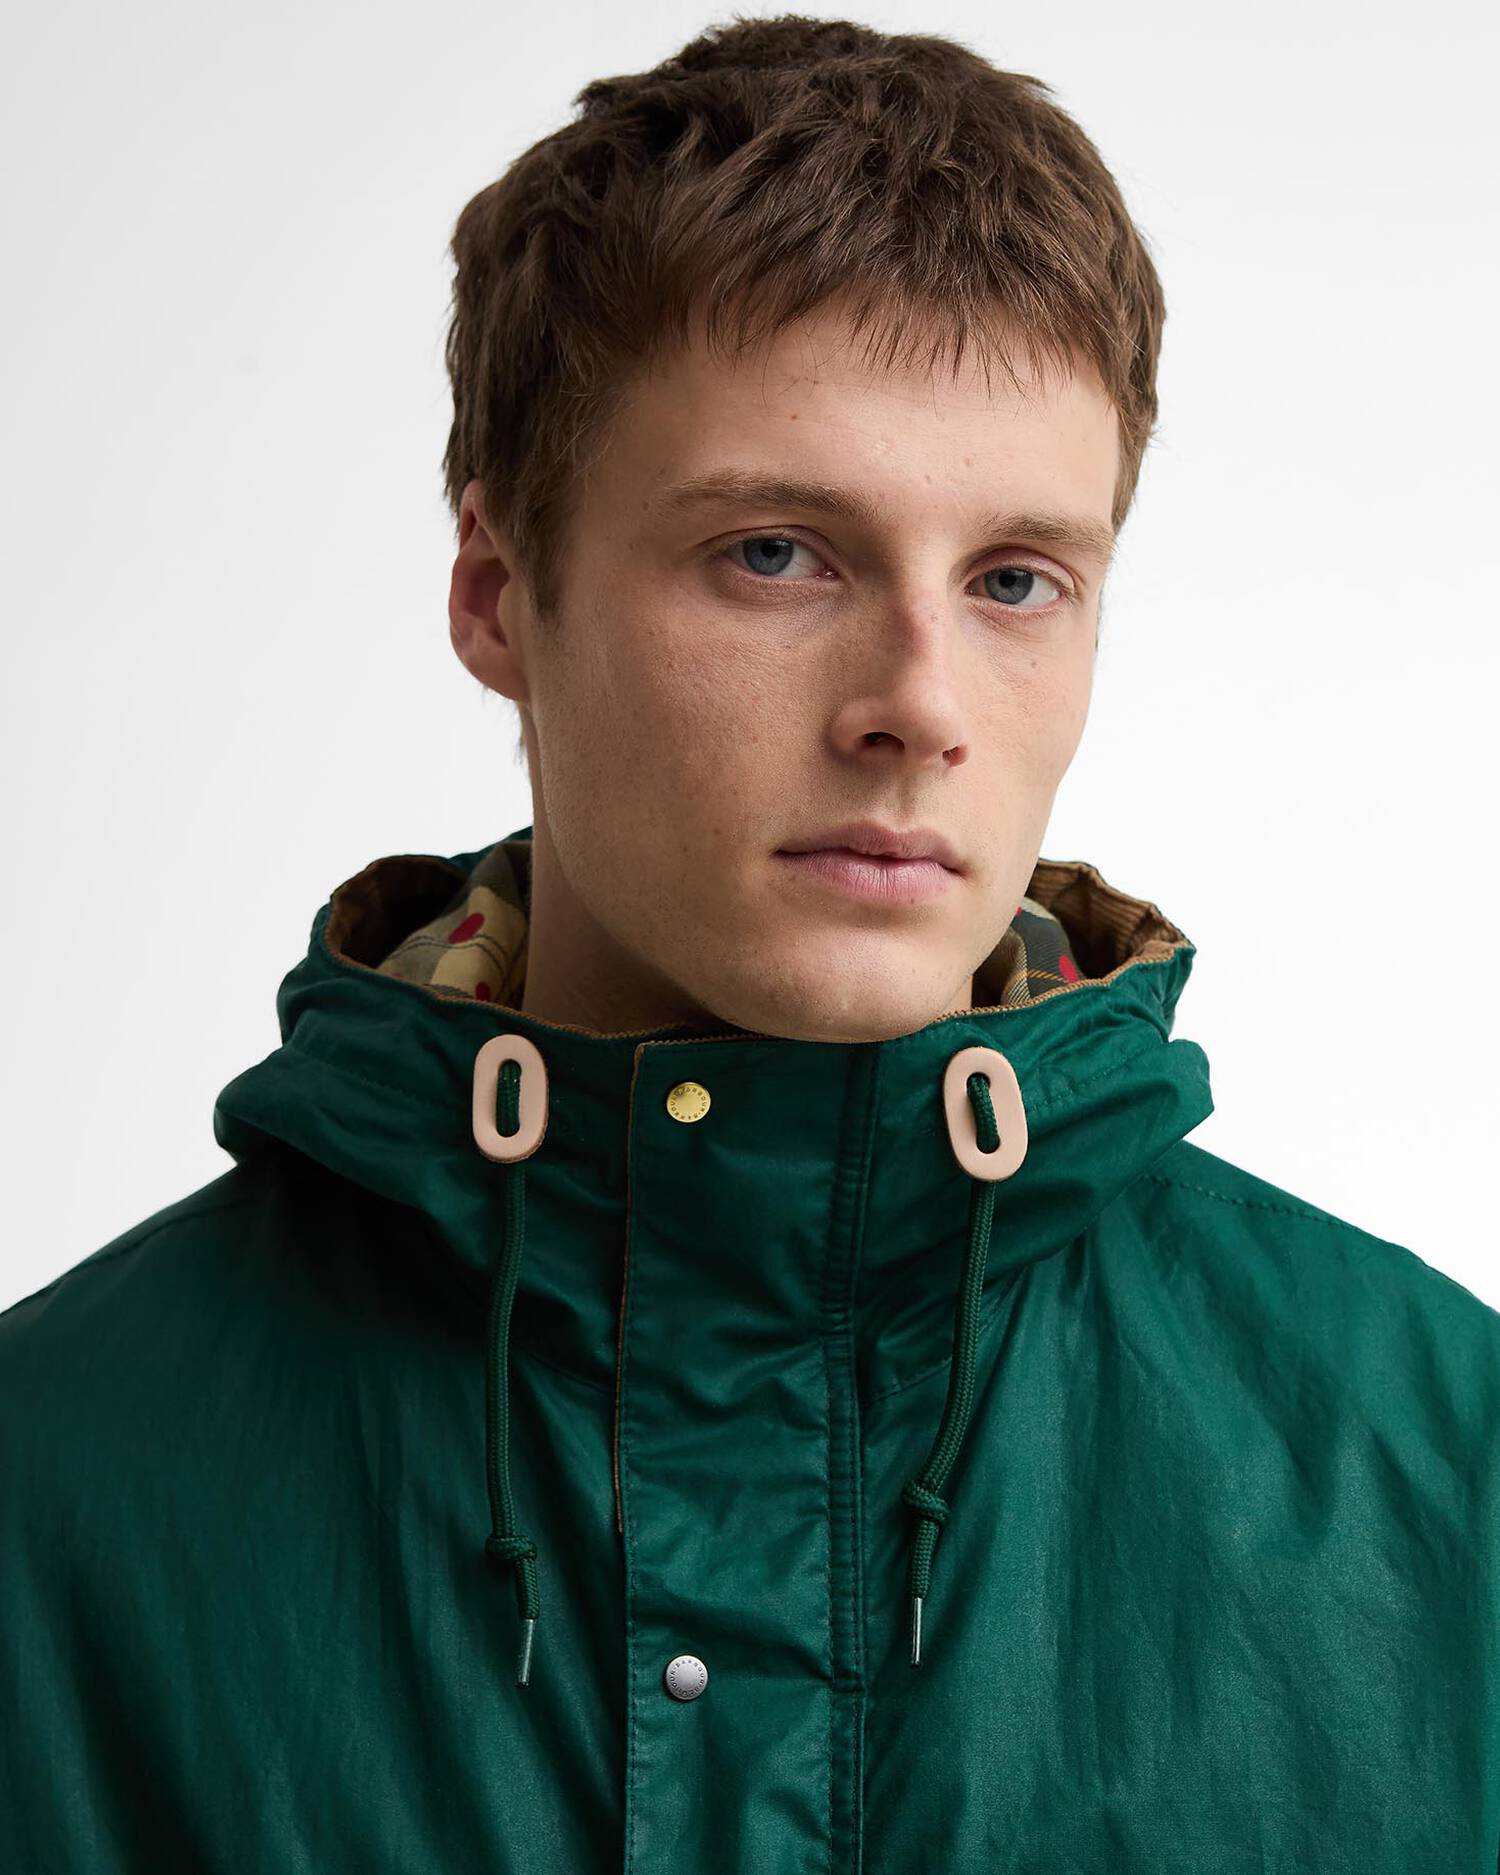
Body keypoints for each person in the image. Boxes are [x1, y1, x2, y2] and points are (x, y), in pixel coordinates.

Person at [4, 14, 1498, 1871]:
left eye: (1015, 579)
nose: (918, 706)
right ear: (497, 591)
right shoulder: (51, 1497)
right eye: (777, 553)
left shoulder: (1449, 1469)